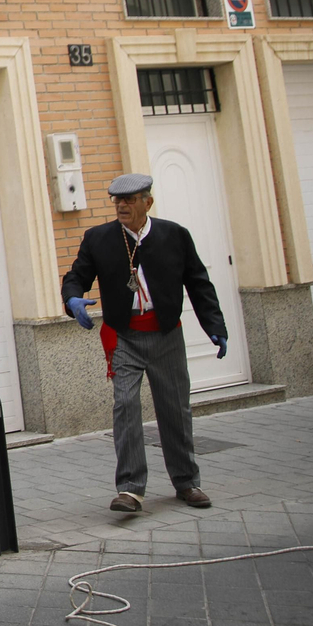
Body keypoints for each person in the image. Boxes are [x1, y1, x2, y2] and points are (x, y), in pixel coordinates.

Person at [61, 173, 228, 513]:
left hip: (166, 334)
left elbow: (198, 283)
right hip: (124, 335)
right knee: (125, 405)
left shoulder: (174, 235)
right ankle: (130, 489)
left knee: (175, 408)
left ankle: (187, 482)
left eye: (130, 200)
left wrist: (215, 325)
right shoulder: (99, 238)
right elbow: (76, 276)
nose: (122, 206)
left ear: (147, 202)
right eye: (117, 201)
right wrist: (73, 299)